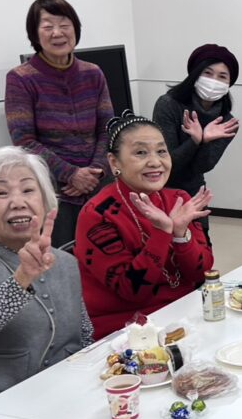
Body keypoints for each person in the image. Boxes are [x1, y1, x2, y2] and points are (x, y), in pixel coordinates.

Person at [0, 147, 93, 405]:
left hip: (65, 393)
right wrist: (21, 278)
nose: (18, 202)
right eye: (1, 193)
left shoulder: (66, 262)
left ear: (45, 201)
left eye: (28, 190)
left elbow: (84, 334)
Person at [76, 111, 213, 338]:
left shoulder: (178, 199)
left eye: (161, 151)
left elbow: (202, 272)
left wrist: (180, 234)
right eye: (140, 152)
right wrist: (162, 232)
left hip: (183, 314)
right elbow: (131, 291)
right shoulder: (98, 215)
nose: (155, 162)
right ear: (114, 162)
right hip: (125, 331)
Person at [5, 0, 114, 247]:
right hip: (54, 191)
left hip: (99, 183)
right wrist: (71, 174)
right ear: (35, 34)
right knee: (61, 257)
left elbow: (107, 127)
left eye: (64, 25)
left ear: (75, 29)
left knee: (107, 251)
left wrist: (96, 170)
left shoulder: (93, 73)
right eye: (47, 26)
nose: (57, 33)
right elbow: (24, 140)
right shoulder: (21, 78)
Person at [152, 44, 240, 241]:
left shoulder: (226, 123)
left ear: (229, 83)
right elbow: (167, 164)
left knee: (200, 246)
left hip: (194, 192)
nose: (214, 81)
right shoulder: (168, 104)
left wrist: (205, 140)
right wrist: (195, 140)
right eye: (207, 73)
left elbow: (201, 167)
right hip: (161, 189)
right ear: (195, 73)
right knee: (164, 246)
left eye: (222, 76)